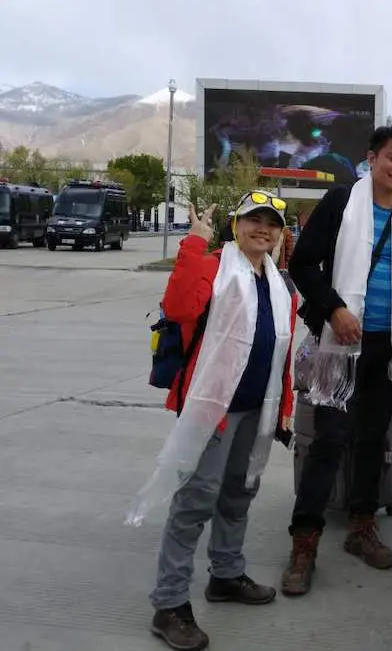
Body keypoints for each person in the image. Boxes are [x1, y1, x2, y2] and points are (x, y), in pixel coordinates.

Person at [281, 125, 392, 595]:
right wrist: (335, 309)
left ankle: (361, 526)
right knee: (329, 440)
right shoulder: (340, 204)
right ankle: (304, 540)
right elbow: (302, 264)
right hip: (341, 345)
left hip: (390, 345)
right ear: (371, 159)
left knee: (374, 439)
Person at [146, 193, 297, 651]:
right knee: (195, 501)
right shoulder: (215, 266)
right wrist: (193, 242)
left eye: (272, 223)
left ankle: (226, 575)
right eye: (254, 220)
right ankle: (169, 604)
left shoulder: (279, 283)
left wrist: (285, 406)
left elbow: (282, 353)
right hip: (214, 407)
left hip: (257, 409)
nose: (263, 229)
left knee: (237, 494)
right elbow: (179, 308)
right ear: (236, 225)